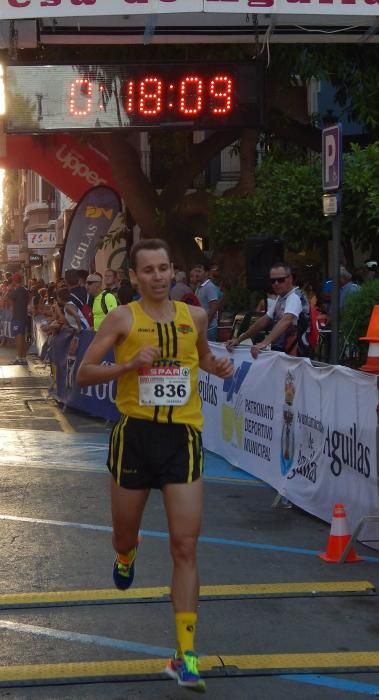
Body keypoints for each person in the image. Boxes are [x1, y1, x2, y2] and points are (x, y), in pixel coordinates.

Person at [76, 239, 234, 692]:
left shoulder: (194, 317)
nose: (158, 277)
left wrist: (215, 366)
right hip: (135, 439)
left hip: (182, 437)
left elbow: (201, 357)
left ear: (173, 270)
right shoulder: (122, 317)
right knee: (125, 533)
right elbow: (83, 374)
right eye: (149, 271)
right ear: (135, 277)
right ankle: (126, 553)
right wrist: (127, 365)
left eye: (165, 268)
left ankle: (185, 655)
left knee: (185, 546)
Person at [225, 263, 306, 358]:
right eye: (273, 280)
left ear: (291, 278)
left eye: (280, 280)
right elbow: (264, 320)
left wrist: (264, 343)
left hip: (295, 357)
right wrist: (239, 339)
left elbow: (286, 321)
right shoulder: (281, 298)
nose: (276, 283)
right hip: (283, 354)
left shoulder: (295, 297)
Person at [189, 264, 220, 341]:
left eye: (199, 271)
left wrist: (206, 324)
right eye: (196, 271)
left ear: (206, 273)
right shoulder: (199, 287)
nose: (197, 274)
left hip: (209, 329)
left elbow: (214, 307)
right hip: (201, 327)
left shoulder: (210, 287)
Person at [7, 273, 30, 365]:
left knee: (18, 338)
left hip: (18, 317)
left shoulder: (16, 291)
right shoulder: (24, 290)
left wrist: (9, 288)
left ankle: (19, 358)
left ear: (14, 281)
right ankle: (23, 358)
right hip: (23, 316)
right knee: (22, 338)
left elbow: (6, 298)